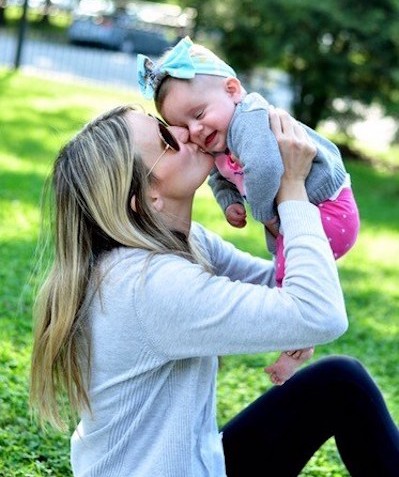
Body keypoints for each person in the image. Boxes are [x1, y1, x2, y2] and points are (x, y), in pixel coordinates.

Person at [30, 105, 399, 477]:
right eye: (165, 140)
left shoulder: (182, 242)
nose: (184, 132)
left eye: (166, 124)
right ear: (146, 197)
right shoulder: (149, 286)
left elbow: (284, 288)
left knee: (340, 384)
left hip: (201, 466)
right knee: (342, 382)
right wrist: (292, 190)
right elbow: (320, 313)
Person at [137, 36, 361, 385]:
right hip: (301, 212)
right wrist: (230, 205)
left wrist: (263, 213)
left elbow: (267, 168)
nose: (195, 132)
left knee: (293, 290)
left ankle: (300, 342)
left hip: (327, 205)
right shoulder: (215, 140)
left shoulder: (249, 119)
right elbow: (219, 179)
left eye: (198, 114)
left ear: (232, 90)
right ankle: (301, 336)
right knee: (288, 280)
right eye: (182, 128)